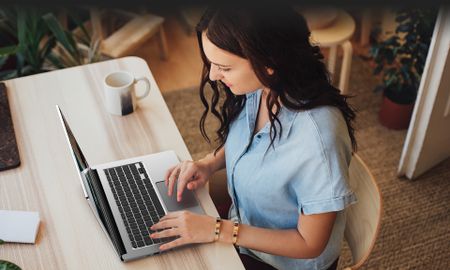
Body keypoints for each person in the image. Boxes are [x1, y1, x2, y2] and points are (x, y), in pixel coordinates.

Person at [150, 3, 357, 270]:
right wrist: (208, 163)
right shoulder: (262, 87)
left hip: (283, 262)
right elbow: (251, 140)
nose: (213, 75)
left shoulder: (317, 138)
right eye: (211, 64)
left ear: (268, 62)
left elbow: (310, 244)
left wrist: (218, 230)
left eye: (223, 67)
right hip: (242, 227)